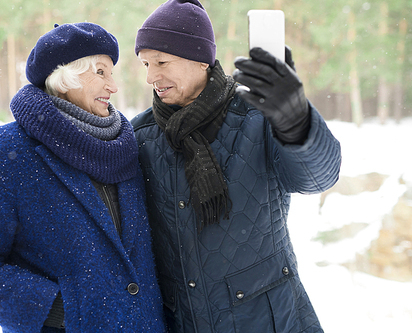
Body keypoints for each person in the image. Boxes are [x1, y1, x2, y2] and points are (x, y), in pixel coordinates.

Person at [130, 1, 341, 332]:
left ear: (201, 60)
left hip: (269, 319)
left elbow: (318, 177)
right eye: (145, 63)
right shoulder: (141, 136)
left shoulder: (258, 114)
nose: (150, 76)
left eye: (161, 62)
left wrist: (296, 120)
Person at [0, 22, 165, 333]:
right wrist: (62, 311)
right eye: (100, 72)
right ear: (64, 80)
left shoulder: (125, 148)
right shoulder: (11, 151)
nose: (113, 86)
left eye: (112, 73)